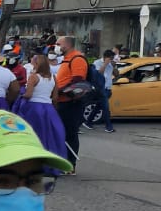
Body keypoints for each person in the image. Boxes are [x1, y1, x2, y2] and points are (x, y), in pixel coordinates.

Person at [11, 53, 65, 166]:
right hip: (49, 108)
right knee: (48, 135)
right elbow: (55, 97)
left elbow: (29, 94)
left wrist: (21, 95)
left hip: (34, 108)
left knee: (34, 135)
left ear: (36, 64)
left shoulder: (33, 77)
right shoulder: (53, 77)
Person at [53, 35, 91, 173]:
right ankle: (62, 162)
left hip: (70, 103)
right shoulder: (66, 60)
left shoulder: (77, 59)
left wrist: (60, 90)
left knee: (70, 134)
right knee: (60, 133)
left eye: (58, 43)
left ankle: (70, 165)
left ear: (67, 45)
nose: (55, 46)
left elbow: (78, 82)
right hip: (61, 102)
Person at [92, 48, 116, 133]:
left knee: (98, 106)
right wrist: (105, 64)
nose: (111, 60)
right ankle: (108, 126)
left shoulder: (110, 64)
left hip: (108, 88)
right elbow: (98, 74)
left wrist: (114, 66)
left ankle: (88, 122)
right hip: (101, 88)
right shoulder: (97, 63)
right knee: (106, 108)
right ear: (106, 57)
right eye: (110, 58)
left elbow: (116, 74)